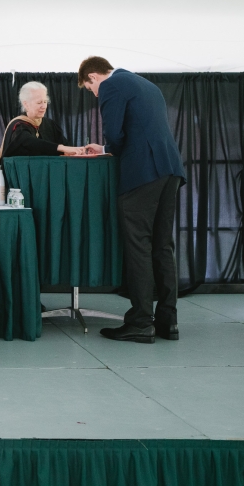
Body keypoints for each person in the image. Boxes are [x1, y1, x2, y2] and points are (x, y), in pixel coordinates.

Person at [81, 56, 186, 343]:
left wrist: (107, 148)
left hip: (142, 172)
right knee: (162, 246)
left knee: (138, 245)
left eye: (91, 90)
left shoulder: (112, 85)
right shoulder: (146, 84)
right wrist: (106, 147)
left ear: (93, 77)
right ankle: (168, 321)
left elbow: (115, 132)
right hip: (170, 169)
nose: (95, 94)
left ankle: (141, 322)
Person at [0, 81, 80, 163]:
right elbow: (29, 142)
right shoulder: (18, 126)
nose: (43, 106)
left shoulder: (50, 125)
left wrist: (78, 151)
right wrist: (61, 148)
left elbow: (66, 146)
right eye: (39, 102)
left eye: (45, 102)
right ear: (26, 104)